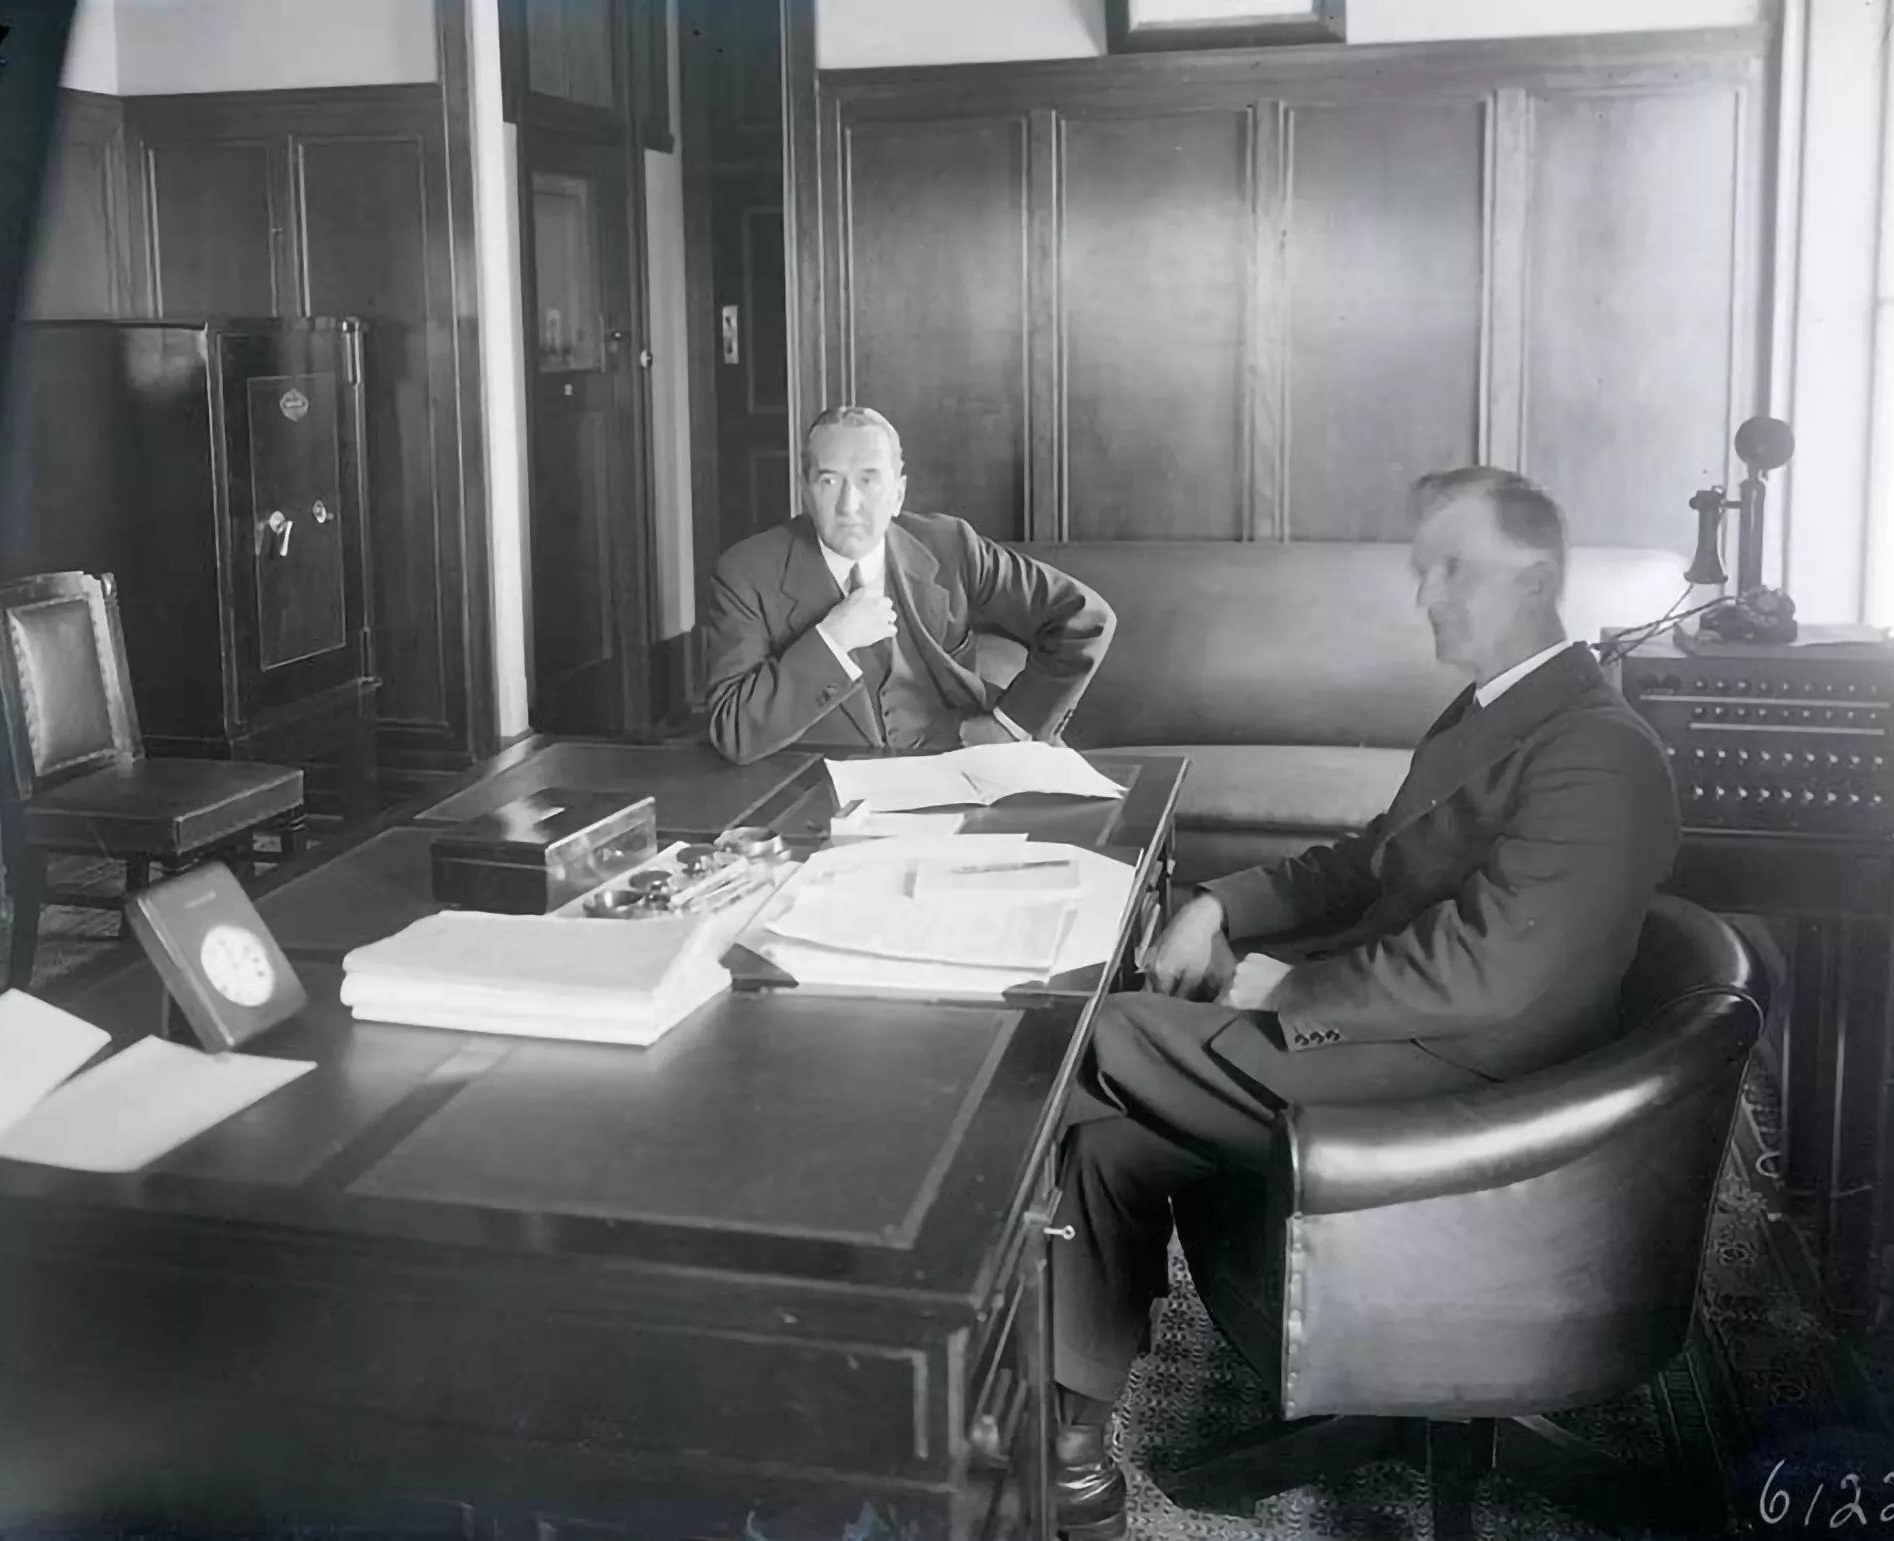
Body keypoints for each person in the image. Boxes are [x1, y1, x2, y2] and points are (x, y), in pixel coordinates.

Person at [1045, 468, 1682, 1538]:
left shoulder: (1597, 746)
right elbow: (1370, 865)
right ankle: (1069, 1448)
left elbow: (1487, 971)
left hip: (1475, 1086)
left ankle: (939, 1343)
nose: (1426, 594)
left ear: (1534, 579)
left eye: (1454, 568)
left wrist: (1290, 984)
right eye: (1421, 567)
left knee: (1095, 1035)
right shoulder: (1493, 711)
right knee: (1109, 1133)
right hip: (1415, 1039)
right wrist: (1218, 902)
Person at [703, 405, 1115, 765]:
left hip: (960, 770)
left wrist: (1010, 726)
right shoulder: (746, 573)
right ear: (806, 493)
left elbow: (1082, 617)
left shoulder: (950, 545)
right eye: (829, 481)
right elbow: (734, 730)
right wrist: (831, 640)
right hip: (824, 794)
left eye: (868, 481)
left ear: (898, 493)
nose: (849, 506)